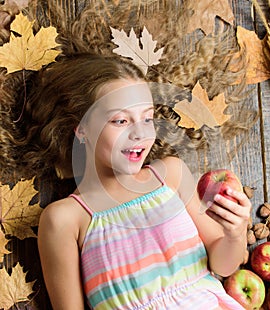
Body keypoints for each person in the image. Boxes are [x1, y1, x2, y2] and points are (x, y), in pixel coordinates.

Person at [35, 53, 251, 309]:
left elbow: (224, 266)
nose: (139, 133)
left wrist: (235, 234)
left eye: (147, 118)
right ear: (82, 128)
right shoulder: (65, 219)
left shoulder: (170, 175)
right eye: (121, 120)